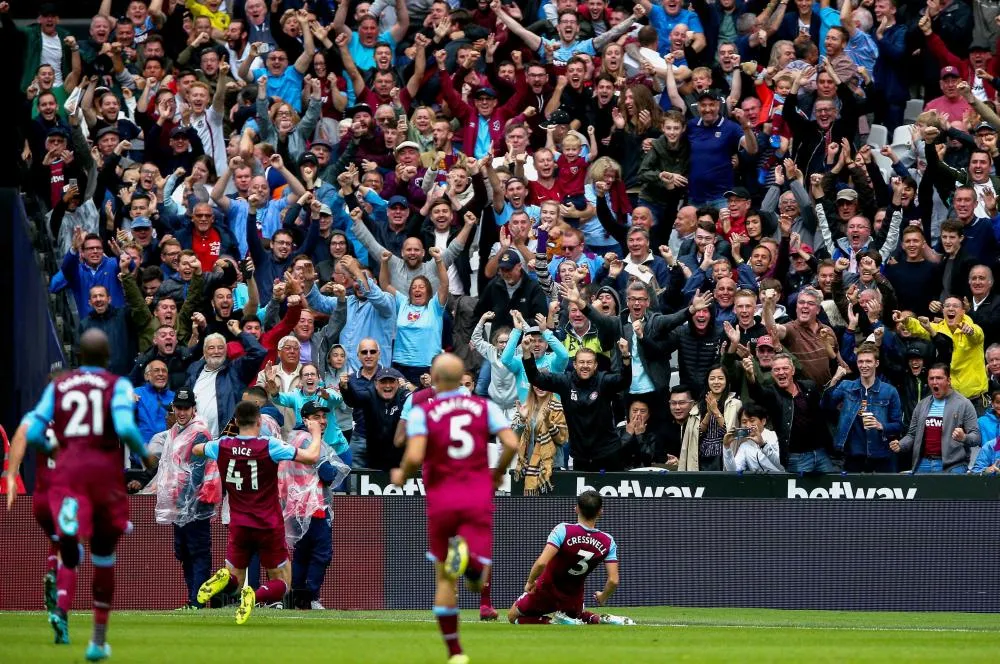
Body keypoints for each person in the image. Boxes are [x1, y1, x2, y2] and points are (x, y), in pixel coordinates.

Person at [24, 330, 150, 660]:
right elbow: (124, 427)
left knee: (69, 547)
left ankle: (68, 543)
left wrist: (54, 446)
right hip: (105, 479)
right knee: (104, 557)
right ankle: (97, 640)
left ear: (78, 356)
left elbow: (34, 430)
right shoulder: (118, 384)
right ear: (108, 357)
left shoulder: (58, 386)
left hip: (66, 478)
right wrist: (144, 453)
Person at [390, 353, 519, 664]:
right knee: (476, 580)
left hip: (441, 500)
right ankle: (472, 562)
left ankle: (455, 653)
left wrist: (402, 474)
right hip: (477, 496)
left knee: (445, 580)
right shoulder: (483, 406)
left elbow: (415, 454)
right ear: (463, 378)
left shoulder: (425, 410)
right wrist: (499, 471)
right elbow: (512, 444)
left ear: (433, 380)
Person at [193, 400, 325, 624]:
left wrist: (214, 444)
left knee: (234, 579)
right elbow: (311, 456)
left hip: (239, 524)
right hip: (268, 524)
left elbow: (197, 449)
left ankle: (226, 581)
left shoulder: (223, 445)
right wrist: (315, 433)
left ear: (235, 422)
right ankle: (254, 595)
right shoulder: (269, 445)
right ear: (260, 421)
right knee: (283, 583)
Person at [508, 490, 632, 625]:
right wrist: (603, 596)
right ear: (600, 512)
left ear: (576, 509)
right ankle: (601, 619)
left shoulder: (563, 530)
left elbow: (541, 563)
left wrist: (530, 582)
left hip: (546, 590)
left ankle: (553, 622)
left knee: (512, 617)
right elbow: (613, 580)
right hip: (574, 597)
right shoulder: (608, 541)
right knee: (578, 616)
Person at [151, 388, 220, 610]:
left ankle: (197, 601)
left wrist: (186, 501)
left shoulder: (199, 433)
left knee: (197, 550)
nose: (181, 412)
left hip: (196, 502)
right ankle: (194, 598)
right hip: (180, 502)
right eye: (178, 408)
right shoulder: (175, 431)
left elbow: (197, 472)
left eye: (185, 408)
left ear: (194, 409)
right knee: (184, 551)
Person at [278, 401, 350, 610]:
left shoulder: (292, 437)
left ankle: (297, 597)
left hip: (294, 507)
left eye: (324, 417)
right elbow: (328, 474)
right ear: (306, 419)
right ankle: (309, 596)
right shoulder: (311, 440)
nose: (323, 421)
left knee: (302, 553)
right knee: (322, 553)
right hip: (314, 507)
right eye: (317, 417)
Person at [524, 343, 631, 471]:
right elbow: (535, 378)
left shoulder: (603, 381)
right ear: (575, 365)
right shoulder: (565, 382)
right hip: (581, 455)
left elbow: (624, 381)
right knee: (582, 492)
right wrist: (526, 353)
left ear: (595, 365)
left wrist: (625, 356)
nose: (585, 366)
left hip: (608, 452)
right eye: (581, 362)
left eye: (589, 362)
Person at [4, 418, 60, 615]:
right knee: (72, 544)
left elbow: (20, 437)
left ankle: (53, 573)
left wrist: (11, 476)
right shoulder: (81, 422)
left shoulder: (38, 419)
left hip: (42, 497)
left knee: (57, 541)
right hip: (66, 494)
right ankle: (59, 594)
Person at [822, 344, 904, 473]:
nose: (864, 365)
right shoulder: (846, 387)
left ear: (876, 363)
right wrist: (835, 379)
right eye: (860, 361)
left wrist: (880, 426)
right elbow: (826, 405)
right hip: (853, 454)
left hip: (881, 454)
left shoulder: (889, 391)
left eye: (868, 361)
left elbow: (898, 425)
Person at [890, 364, 980, 473]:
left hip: (953, 466)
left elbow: (976, 437)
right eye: (931, 378)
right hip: (923, 463)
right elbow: (912, 434)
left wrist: (964, 437)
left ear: (949, 380)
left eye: (939, 378)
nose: (934, 382)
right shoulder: (922, 405)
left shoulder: (964, 404)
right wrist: (901, 444)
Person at [722, 402, 784, 472]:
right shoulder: (744, 446)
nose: (748, 425)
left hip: (780, 480)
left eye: (752, 420)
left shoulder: (775, 437)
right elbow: (733, 472)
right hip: (757, 482)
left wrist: (763, 445)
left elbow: (782, 466)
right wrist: (727, 447)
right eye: (744, 422)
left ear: (763, 421)